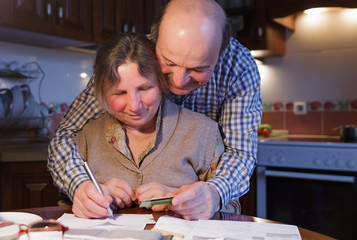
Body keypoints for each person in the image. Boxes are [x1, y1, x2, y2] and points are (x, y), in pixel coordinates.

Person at [48, 0, 262, 220]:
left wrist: (214, 193)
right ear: (155, 38)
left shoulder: (239, 67)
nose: (178, 81)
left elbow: (241, 153)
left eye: (198, 69)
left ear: (220, 53)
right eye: (168, 62)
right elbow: (65, 136)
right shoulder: (132, 56)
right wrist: (81, 186)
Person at [71, 32, 231, 218]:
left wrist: (179, 199)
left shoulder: (204, 132)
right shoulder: (85, 138)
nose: (135, 105)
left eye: (144, 88)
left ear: (161, 83)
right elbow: (68, 205)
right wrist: (91, 201)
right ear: (102, 94)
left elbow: (230, 208)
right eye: (119, 93)